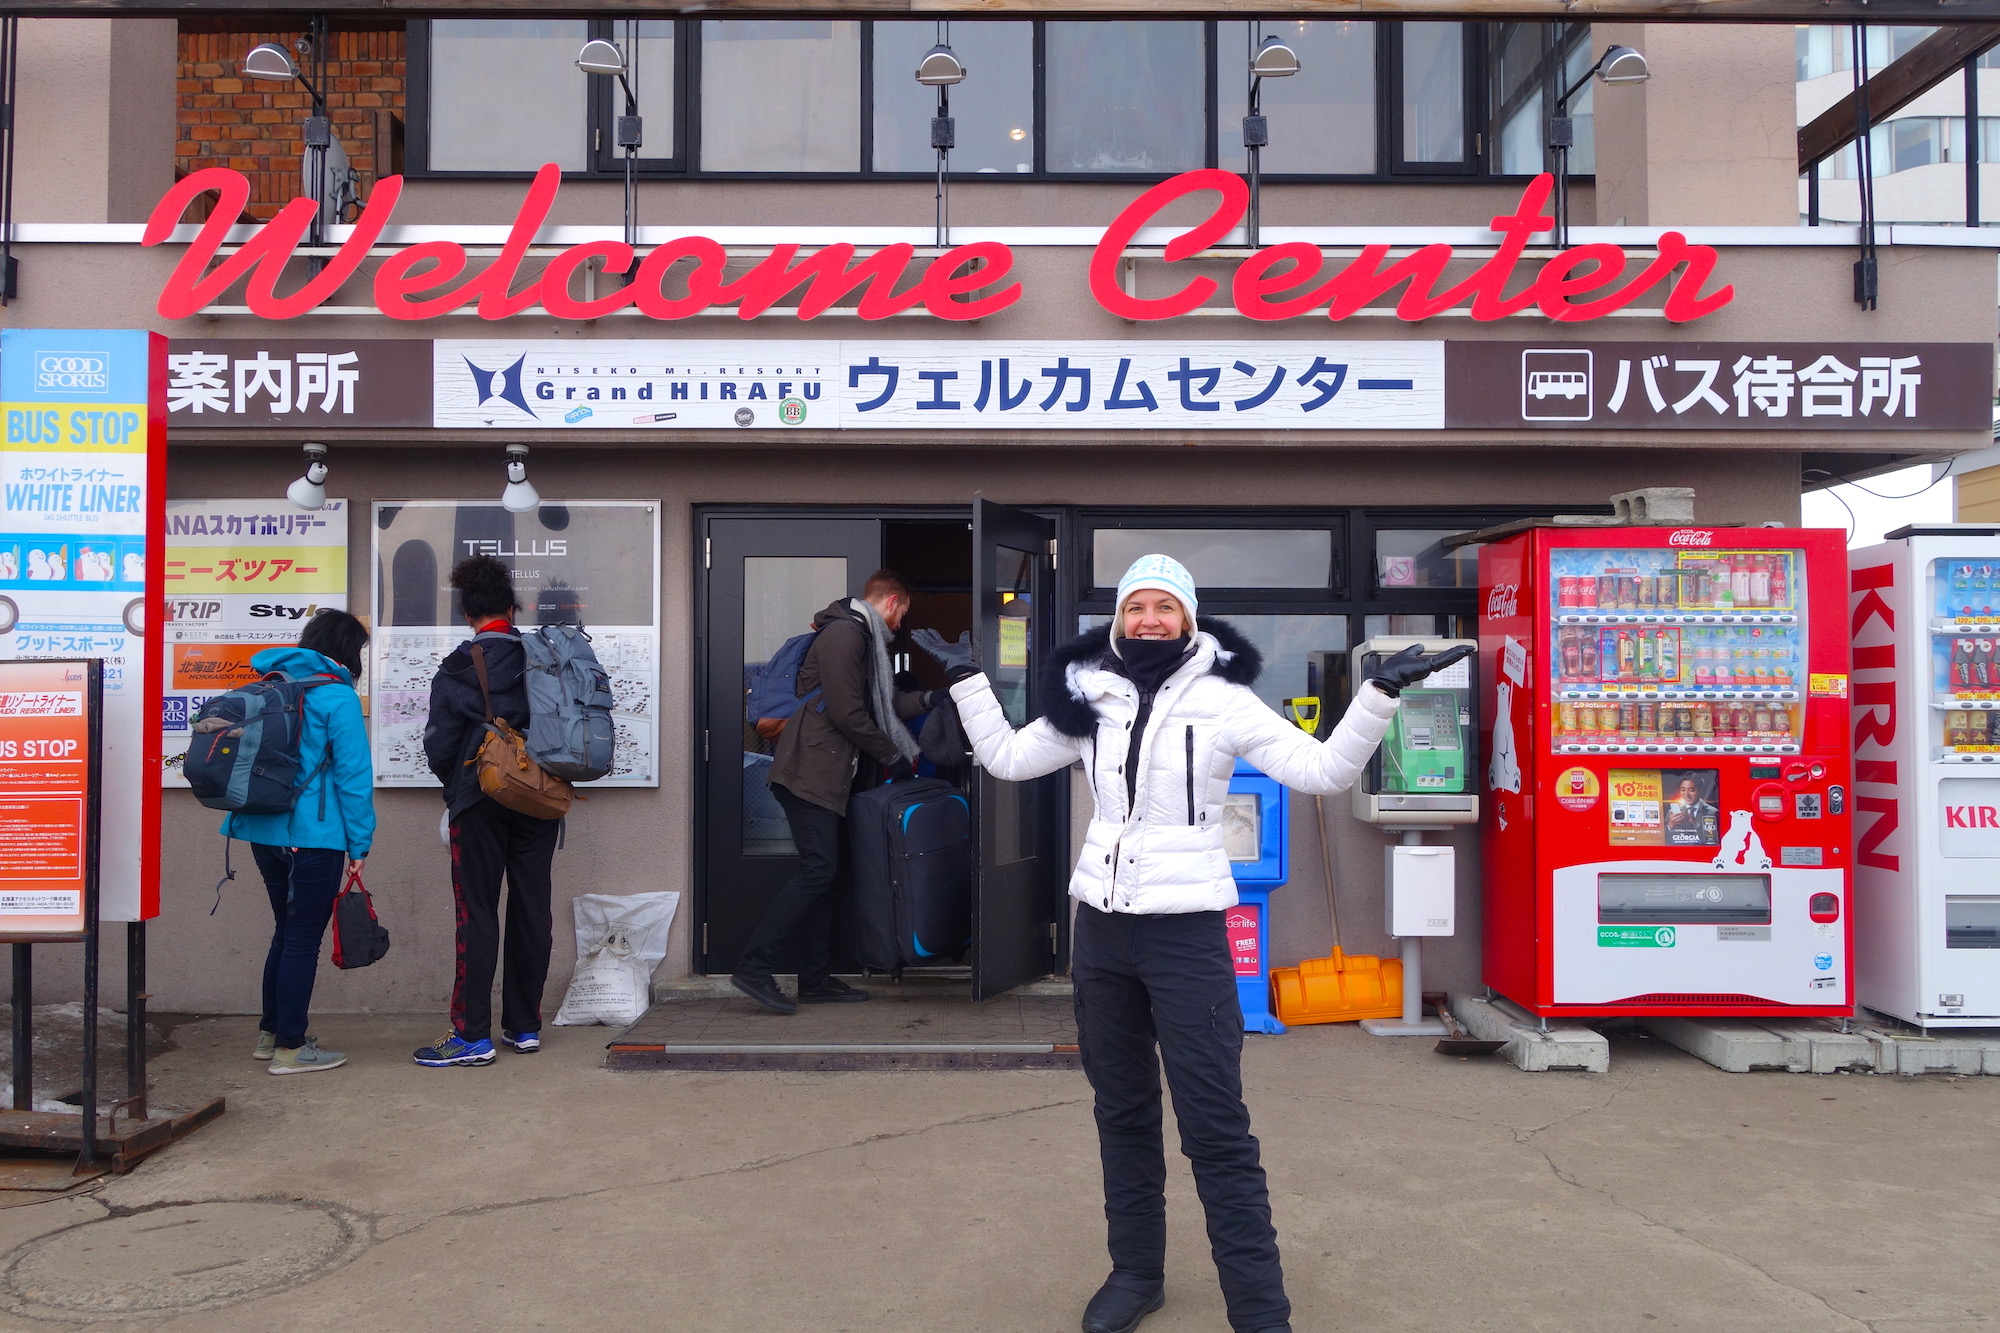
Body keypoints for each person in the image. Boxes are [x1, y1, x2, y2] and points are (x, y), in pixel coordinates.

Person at [915, 554, 1469, 1333]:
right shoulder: (1087, 697)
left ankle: (1260, 1310)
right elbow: (1006, 759)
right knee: (1123, 1112)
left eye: (1164, 606)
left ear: (1188, 618)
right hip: (1103, 933)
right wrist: (972, 679)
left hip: (1188, 937)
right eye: (1136, 605)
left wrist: (1377, 693)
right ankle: (1136, 1272)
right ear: (1118, 618)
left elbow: (1322, 771)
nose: (1148, 619)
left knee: (1214, 1123)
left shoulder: (1225, 701)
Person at [731, 569, 931, 1015]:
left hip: (828, 776)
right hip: (809, 774)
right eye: (902, 616)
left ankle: (815, 978)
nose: (900, 627)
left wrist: (934, 699)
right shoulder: (846, 635)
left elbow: (884, 703)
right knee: (819, 872)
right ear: (893, 602)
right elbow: (846, 711)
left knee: (826, 877)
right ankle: (753, 967)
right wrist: (891, 755)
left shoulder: (863, 640)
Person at [413, 555, 560, 1068]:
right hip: (541, 799)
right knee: (531, 908)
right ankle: (524, 1028)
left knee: (476, 912)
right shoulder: (543, 657)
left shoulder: (457, 667)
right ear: (511, 608)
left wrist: (457, 786)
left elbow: (439, 744)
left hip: (478, 800)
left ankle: (472, 1035)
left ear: (467, 613)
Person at [221, 609, 375, 1076]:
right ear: (350, 651)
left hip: (263, 831)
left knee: (286, 932)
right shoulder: (336, 696)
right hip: (314, 838)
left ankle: (272, 1034)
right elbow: (353, 776)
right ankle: (291, 1047)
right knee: (302, 939)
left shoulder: (272, 684)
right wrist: (360, 844)